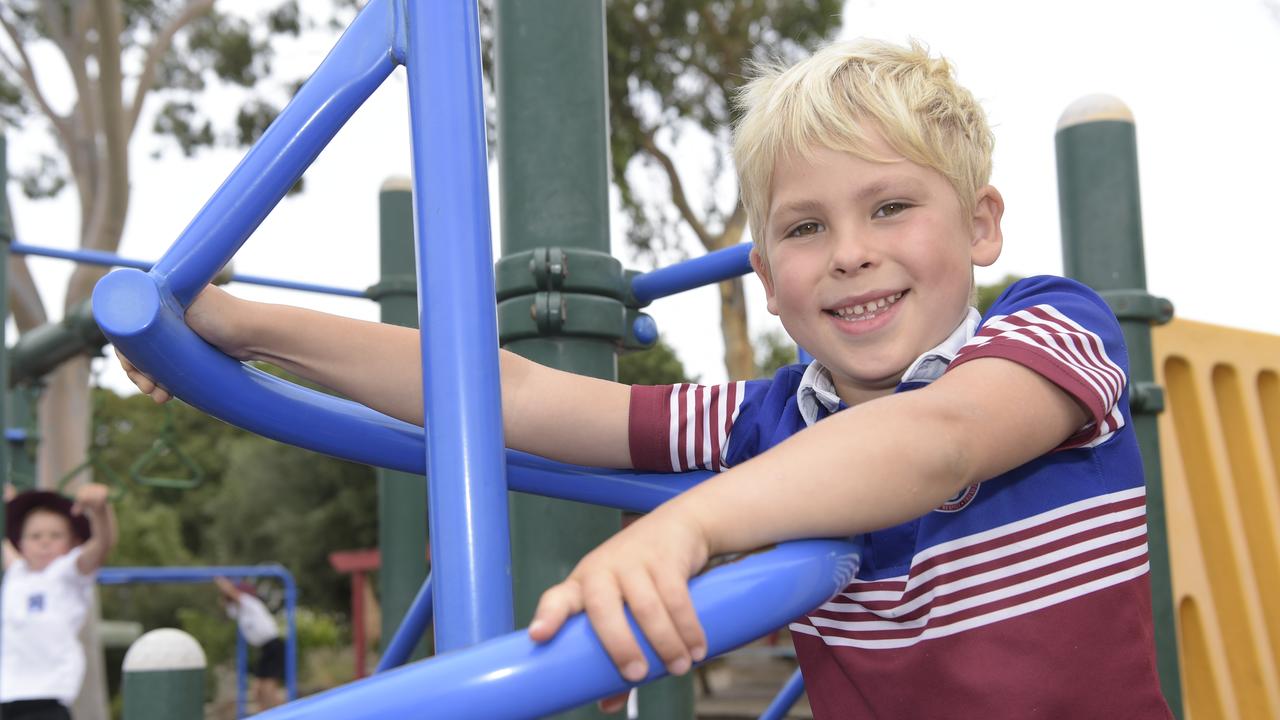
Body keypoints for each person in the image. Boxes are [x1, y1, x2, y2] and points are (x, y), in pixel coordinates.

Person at [118, 38, 1173, 718]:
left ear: (979, 225)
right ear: (765, 277)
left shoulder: (1052, 328)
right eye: (805, 227)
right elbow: (517, 397)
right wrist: (242, 324)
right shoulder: (764, 420)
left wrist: (688, 525)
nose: (850, 251)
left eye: (890, 207)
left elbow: (935, 439)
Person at [1, 483, 116, 720]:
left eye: (55, 536)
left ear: (73, 541)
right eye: (35, 536)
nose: (44, 542)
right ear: (20, 543)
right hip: (6, 695)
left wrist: (101, 511)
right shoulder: (17, 573)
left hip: (48, 697)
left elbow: (102, 544)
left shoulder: (68, 572)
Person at [214, 576, 285, 711]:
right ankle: (266, 716)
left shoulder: (250, 603)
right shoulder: (238, 611)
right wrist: (224, 594)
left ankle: (287, 714)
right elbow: (225, 602)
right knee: (257, 691)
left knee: (268, 689)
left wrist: (219, 580)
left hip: (273, 645)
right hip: (265, 648)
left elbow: (232, 593)